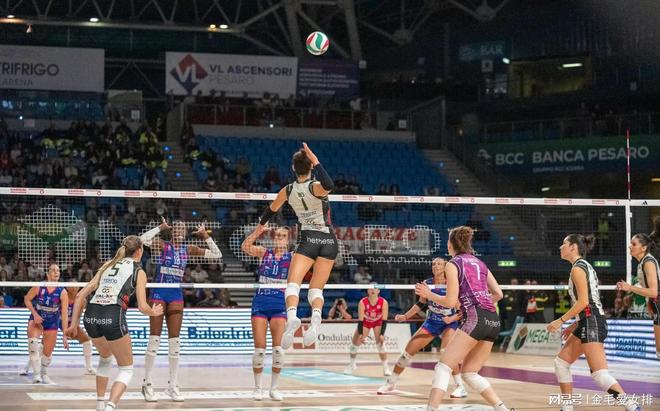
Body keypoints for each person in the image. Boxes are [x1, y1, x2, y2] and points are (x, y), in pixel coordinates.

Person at [415, 226, 510, 411]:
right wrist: (476, 302)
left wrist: (429, 294)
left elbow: (450, 302)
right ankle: (502, 408)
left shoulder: (453, 264)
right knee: (469, 373)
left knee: (443, 367)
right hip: (493, 319)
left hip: (476, 318)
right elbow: (498, 294)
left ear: (451, 244)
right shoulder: (480, 263)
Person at [65, 235, 163, 411]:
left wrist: (73, 325)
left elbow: (79, 296)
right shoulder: (139, 271)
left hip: (91, 316)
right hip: (112, 315)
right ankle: (110, 407)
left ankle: (100, 405)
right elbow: (142, 307)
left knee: (105, 358)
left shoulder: (108, 264)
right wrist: (153, 312)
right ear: (139, 251)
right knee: (126, 369)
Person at [257, 142, 338, 349]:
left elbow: (270, 211)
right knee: (316, 290)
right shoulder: (317, 187)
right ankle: (316, 318)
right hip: (328, 240)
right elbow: (329, 184)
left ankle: (292, 316)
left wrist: (260, 226)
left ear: (293, 168)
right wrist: (316, 161)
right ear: (310, 166)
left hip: (308, 240)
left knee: (293, 284)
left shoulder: (287, 191)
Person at [547, 234, 640, 411]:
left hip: (592, 322)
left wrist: (560, 320)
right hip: (588, 321)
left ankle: (631, 405)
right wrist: (575, 324)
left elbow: (584, 302)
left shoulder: (578, 269)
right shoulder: (583, 266)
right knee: (561, 363)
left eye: (564, 244)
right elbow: (589, 301)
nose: (560, 247)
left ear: (573, 247)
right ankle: (567, 407)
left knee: (599, 375)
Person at [139, 218, 222, 402]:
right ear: (171, 231)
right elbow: (142, 240)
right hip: (159, 293)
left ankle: (173, 385)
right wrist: (159, 227)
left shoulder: (189, 249)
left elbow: (217, 254)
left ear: (185, 233)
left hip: (176, 295)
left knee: (175, 343)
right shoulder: (162, 245)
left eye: (182, 228)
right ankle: (147, 383)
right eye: (176, 228)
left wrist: (205, 236)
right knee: (154, 339)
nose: (179, 230)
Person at [377, 258, 466, 398]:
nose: (435, 266)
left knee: (446, 352)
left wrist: (451, 319)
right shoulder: (427, 284)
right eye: (433, 264)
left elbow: (462, 311)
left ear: (445, 267)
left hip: (449, 322)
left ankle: (460, 386)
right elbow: (420, 304)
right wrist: (406, 316)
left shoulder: (452, 284)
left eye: (439, 264)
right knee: (407, 353)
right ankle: (391, 382)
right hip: (432, 322)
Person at [241, 225, 291, 401]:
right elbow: (245, 247)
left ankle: (274, 388)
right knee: (259, 350)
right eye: (277, 235)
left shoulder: (292, 258)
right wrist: (258, 231)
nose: (279, 238)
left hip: (279, 305)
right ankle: (257, 388)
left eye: (283, 235)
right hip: (261, 304)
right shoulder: (264, 253)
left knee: (278, 350)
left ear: (288, 239)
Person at [617, 231, 659, 359]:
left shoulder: (648, 262)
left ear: (644, 247)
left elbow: (654, 291)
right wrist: (649, 302)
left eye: (634, 244)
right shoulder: (643, 262)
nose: (630, 246)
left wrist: (630, 288)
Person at [24, 264, 68, 384]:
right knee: (33, 345)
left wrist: (65, 334)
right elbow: (27, 299)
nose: (56, 272)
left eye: (58, 270)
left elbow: (64, 315)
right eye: (53, 270)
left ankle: (44, 374)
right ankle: (36, 375)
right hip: (37, 319)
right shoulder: (39, 286)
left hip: (52, 322)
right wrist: (35, 314)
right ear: (48, 274)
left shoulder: (62, 291)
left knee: (47, 353)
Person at [344, 285, 390, 376]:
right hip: (365, 322)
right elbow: (360, 321)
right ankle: (352, 364)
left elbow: (384, 320)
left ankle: (386, 368)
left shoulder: (384, 302)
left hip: (378, 322)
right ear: (367, 291)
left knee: (381, 344)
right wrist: (361, 334)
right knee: (354, 344)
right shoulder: (362, 302)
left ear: (378, 291)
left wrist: (382, 334)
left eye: (375, 288)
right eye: (370, 288)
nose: (373, 290)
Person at [62, 287, 96, 374]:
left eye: (76, 287)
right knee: (45, 343)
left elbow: (78, 316)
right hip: (58, 321)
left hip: (71, 323)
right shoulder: (63, 296)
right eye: (72, 287)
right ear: (68, 288)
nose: (74, 289)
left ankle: (88, 368)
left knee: (87, 341)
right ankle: (32, 366)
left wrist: (75, 327)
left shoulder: (82, 300)